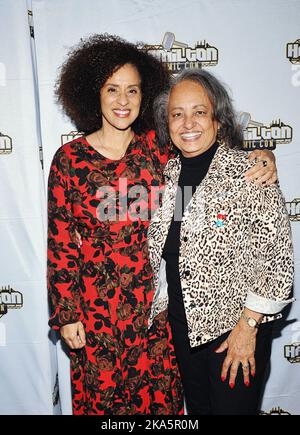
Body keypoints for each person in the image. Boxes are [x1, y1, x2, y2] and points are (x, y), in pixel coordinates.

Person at [47, 34, 277, 415]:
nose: (123, 100)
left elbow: (211, 149)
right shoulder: (69, 160)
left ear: (145, 95)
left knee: (161, 408)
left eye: (133, 90)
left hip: (157, 315)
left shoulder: (159, 148)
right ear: (94, 93)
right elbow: (61, 245)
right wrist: (67, 313)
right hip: (96, 317)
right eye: (113, 89)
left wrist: (263, 154)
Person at [147, 68, 294, 415]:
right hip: (185, 333)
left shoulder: (249, 172)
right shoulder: (173, 174)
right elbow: (180, 242)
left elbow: (277, 262)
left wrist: (247, 329)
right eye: (177, 114)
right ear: (167, 124)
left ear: (218, 119)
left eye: (199, 112)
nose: (188, 123)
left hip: (235, 336)